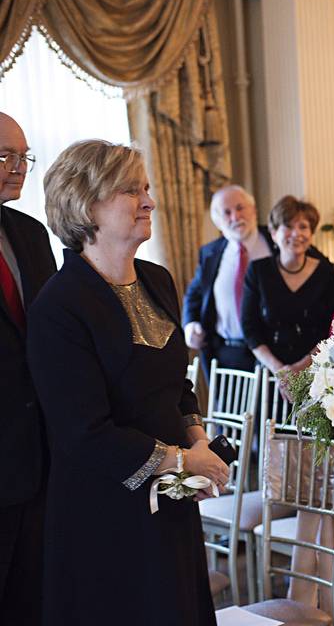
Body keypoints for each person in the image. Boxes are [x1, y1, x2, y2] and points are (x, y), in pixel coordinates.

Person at [28, 139, 229, 625]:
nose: (149, 201)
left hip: (173, 499)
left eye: (146, 188)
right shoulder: (59, 306)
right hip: (102, 512)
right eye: (130, 190)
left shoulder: (158, 280)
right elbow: (84, 433)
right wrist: (182, 460)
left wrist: (198, 446)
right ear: (85, 204)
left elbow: (177, 384)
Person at [0, 113, 56, 623]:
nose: (18, 169)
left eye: (24, 158)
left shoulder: (32, 234)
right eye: (5, 157)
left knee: (34, 602)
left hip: (40, 458)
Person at [182, 185, 275, 377]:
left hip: (275, 353)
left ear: (254, 210)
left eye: (240, 208)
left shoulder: (278, 243)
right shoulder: (210, 253)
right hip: (227, 354)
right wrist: (190, 323)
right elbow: (195, 294)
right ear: (218, 222)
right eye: (227, 212)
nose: (235, 217)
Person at [241, 196, 334, 375]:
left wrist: (300, 368)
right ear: (273, 233)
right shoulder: (257, 270)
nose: (297, 234)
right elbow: (249, 328)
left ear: (311, 234)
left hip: (317, 372)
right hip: (269, 373)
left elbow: (332, 329)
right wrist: (280, 371)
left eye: (303, 227)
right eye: (288, 226)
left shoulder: (327, 273)